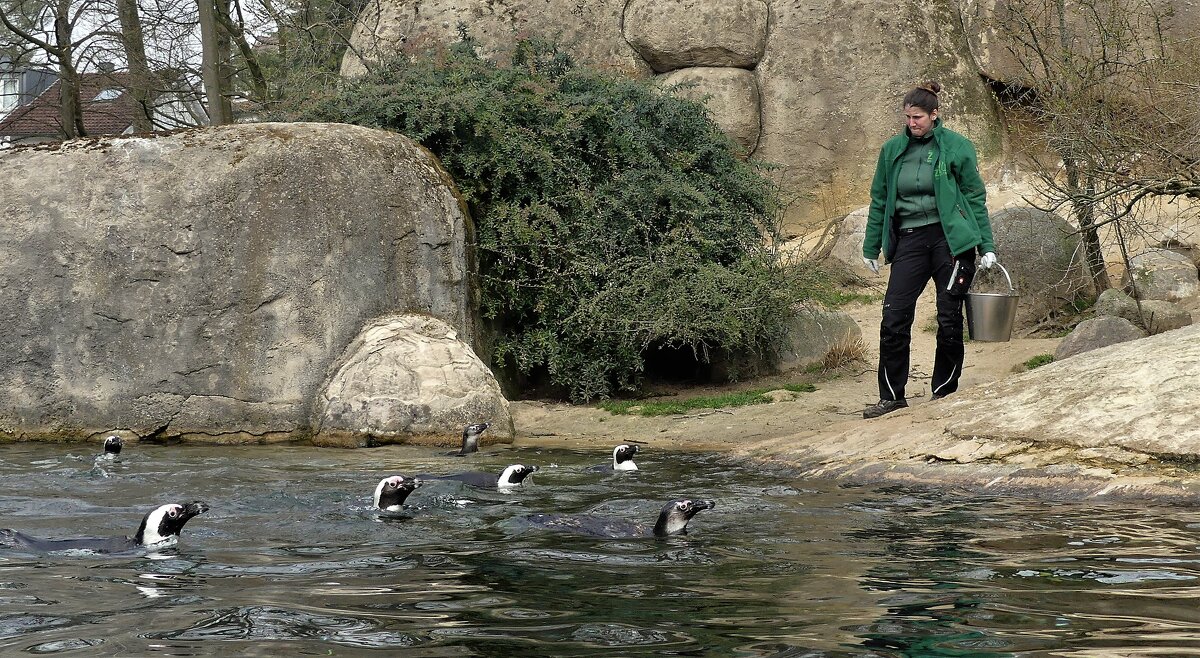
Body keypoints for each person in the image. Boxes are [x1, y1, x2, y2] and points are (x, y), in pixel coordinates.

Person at [860, 81, 997, 419]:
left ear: (934, 115)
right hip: (909, 240)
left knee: (949, 318)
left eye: (918, 117)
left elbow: (975, 197)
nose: (912, 123)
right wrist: (871, 245)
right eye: (907, 117)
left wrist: (987, 246)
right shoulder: (892, 150)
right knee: (894, 316)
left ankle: (944, 392)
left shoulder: (957, 147)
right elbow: (879, 200)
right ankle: (892, 397)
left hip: (950, 242)